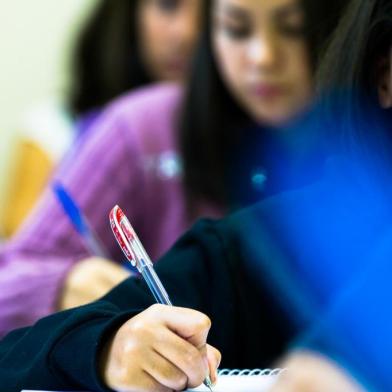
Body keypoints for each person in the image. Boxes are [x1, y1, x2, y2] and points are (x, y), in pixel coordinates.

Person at [1, 1, 392, 390]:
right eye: (236, 29)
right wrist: (106, 341)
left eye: (293, 29)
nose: (263, 57)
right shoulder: (240, 239)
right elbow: (20, 335)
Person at [1, 0, 202, 237]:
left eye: (207, 11)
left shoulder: (243, 140)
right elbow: (24, 255)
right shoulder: (53, 129)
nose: (186, 33)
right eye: (167, 5)